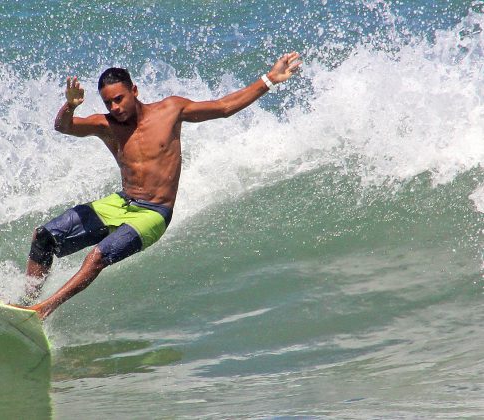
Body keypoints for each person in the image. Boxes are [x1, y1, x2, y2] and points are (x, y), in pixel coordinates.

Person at [18, 52, 302, 319]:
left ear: (135, 91)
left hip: (154, 213)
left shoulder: (170, 110)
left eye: (119, 99)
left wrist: (269, 79)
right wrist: (69, 105)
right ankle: (26, 304)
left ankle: (43, 310)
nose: (115, 108)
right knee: (45, 236)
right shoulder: (106, 125)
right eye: (108, 103)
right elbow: (64, 127)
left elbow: (224, 107)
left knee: (97, 256)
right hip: (122, 202)